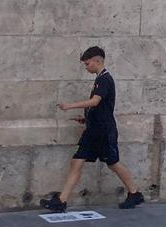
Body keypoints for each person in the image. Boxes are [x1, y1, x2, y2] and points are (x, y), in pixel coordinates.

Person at [39, 46, 145, 213]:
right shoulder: (99, 79)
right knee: (76, 161)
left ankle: (134, 193)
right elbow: (100, 106)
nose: (86, 67)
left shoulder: (105, 79)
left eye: (87, 64)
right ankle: (61, 201)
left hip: (103, 132)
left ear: (97, 61)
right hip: (92, 131)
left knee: (113, 163)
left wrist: (69, 106)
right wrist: (86, 119)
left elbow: (95, 102)